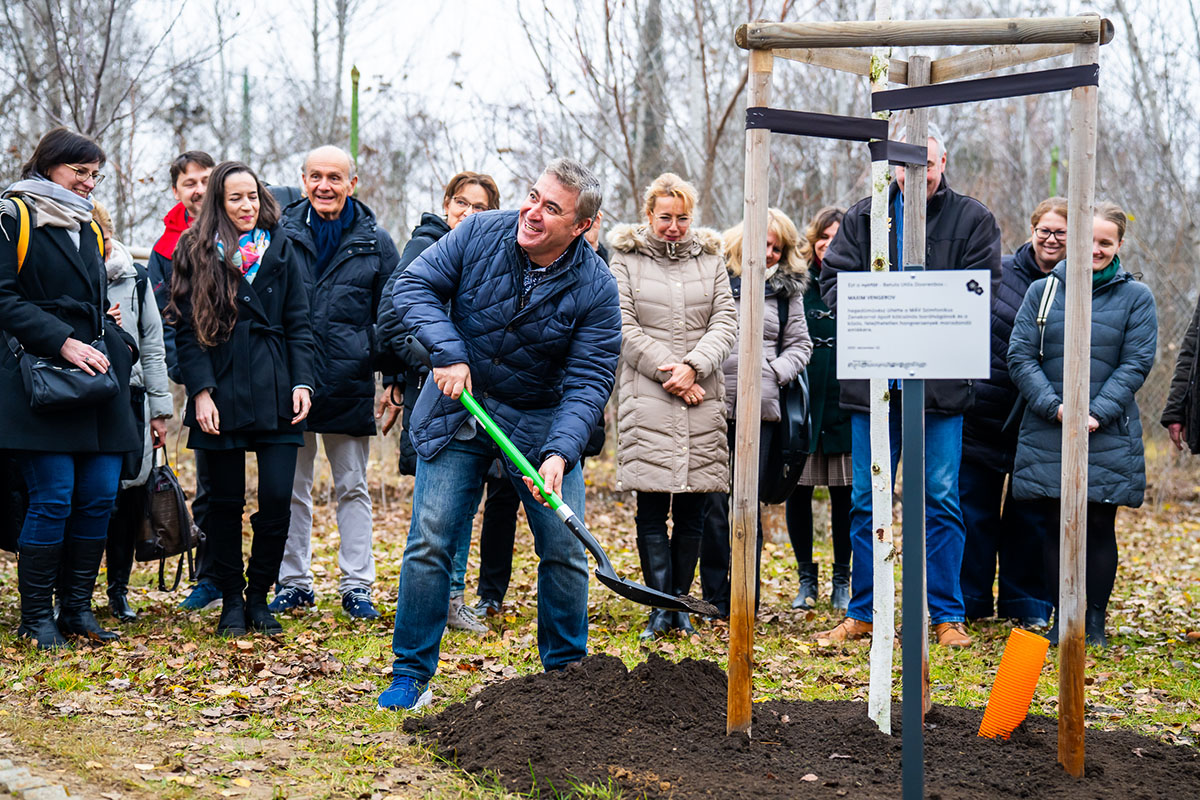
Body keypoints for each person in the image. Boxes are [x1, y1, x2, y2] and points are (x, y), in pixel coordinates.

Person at [378, 158, 618, 711]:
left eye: (551, 208)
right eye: (532, 196)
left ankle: (566, 675)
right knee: (431, 539)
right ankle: (410, 674)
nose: (531, 212)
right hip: (459, 405)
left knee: (563, 548)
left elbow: (589, 380)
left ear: (582, 226)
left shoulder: (597, 288)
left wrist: (561, 452)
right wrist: (448, 351)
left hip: (538, 422)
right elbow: (411, 286)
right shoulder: (481, 232)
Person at [818, 123, 1002, 647]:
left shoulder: (973, 218)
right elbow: (835, 284)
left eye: (928, 163)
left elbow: (979, 293)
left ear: (943, 164)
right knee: (866, 500)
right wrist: (891, 318)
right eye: (905, 164)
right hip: (872, 387)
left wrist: (920, 319)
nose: (915, 173)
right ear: (891, 167)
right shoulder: (862, 216)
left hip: (940, 390)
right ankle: (866, 612)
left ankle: (945, 616)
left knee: (941, 498)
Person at [0, 127, 140, 648]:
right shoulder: (13, 216)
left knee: (101, 496)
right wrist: (63, 340)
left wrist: (112, 331)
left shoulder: (91, 226)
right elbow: (4, 297)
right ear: (48, 166)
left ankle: (76, 610)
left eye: (94, 174)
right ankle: (35, 617)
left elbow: (88, 293)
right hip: (40, 378)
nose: (87, 182)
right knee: (53, 497)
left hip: (97, 380)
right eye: (78, 172)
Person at [167, 161, 314, 637]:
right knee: (224, 502)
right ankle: (231, 597)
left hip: (276, 385)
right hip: (222, 385)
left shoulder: (284, 246)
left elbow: (299, 322)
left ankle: (258, 595)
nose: (247, 205)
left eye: (253, 196)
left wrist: (302, 382)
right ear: (219, 202)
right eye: (235, 198)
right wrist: (201, 393)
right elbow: (187, 333)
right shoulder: (194, 249)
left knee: (276, 500)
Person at [1008, 202, 1156, 648]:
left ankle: (1094, 620)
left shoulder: (1136, 298)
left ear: (1119, 245)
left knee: (1097, 523)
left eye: (1105, 242)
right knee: (1054, 525)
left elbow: (1137, 363)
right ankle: (1061, 614)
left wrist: (1094, 413)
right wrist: (1056, 408)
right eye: (1087, 240)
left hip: (1106, 431)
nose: (1095, 249)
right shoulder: (1045, 291)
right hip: (1048, 426)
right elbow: (1020, 355)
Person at [266, 146, 399, 621]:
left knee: (353, 487)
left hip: (348, 382)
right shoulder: (278, 233)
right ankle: (294, 583)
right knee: (290, 488)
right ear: (303, 181)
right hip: (290, 384)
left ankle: (357, 585)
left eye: (335, 178)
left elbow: (393, 314)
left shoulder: (376, 241)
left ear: (353, 183)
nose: (325, 186)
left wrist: (394, 377)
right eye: (316, 176)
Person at [609, 173, 738, 638]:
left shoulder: (712, 259)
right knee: (650, 511)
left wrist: (695, 366)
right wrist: (674, 372)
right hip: (648, 397)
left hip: (701, 398)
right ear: (649, 215)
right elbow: (622, 326)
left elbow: (726, 320)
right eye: (665, 217)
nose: (674, 226)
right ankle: (658, 607)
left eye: (682, 218)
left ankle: (681, 605)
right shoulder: (624, 259)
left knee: (692, 512)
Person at [376, 170, 502, 634]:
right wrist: (440, 361)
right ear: (446, 203)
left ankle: (453, 597)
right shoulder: (425, 244)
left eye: (481, 207)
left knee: (467, 502)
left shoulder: (488, 251)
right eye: (462, 203)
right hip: (437, 394)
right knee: (436, 509)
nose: (469, 213)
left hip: (478, 399)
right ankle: (432, 601)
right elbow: (393, 323)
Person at [958, 198, 1069, 629]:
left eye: (1061, 232)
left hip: (1039, 423)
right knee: (974, 512)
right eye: (1045, 230)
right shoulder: (998, 271)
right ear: (1032, 229)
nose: (1052, 239)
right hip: (983, 412)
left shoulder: (1079, 284)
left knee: (1031, 520)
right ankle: (968, 602)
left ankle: (1027, 606)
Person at [699, 208, 811, 619]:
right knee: (712, 504)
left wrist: (772, 372)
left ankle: (745, 597)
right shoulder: (716, 276)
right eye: (761, 242)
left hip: (761, 412)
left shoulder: (786, 292)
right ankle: (714, 598)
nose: (766, 253)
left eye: (775, 247)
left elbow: (801, 346)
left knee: (747, 505)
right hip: (711, 402)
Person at [147, 150, 223, 613]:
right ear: (176, 191)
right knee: (210, 486)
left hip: (252, 378)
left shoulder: (243, 233)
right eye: (188, 182)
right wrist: (193, 380)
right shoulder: (164, 249)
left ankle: (277, 579)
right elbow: (166, 323)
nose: (197, 189)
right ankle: (209, 577)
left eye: (204, 180)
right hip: (199, 382)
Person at [92, 202, 172, 622]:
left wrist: (160, 411)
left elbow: (154, 345)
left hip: (131, 400)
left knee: (128, 497)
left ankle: (118, 591)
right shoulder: (56, 274)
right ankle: (74, 590)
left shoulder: (135, 277)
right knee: (87, 497)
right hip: (77, 398)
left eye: (98, 231)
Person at [785, 206, 851, 611]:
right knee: (798, 493)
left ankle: (841, 580)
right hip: (804, 406)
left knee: (846, 496)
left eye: (837, 238)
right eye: (823, 237)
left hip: (846, 405)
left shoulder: (860, 284)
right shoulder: (798, 285)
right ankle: (805, 579)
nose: (829, 245)